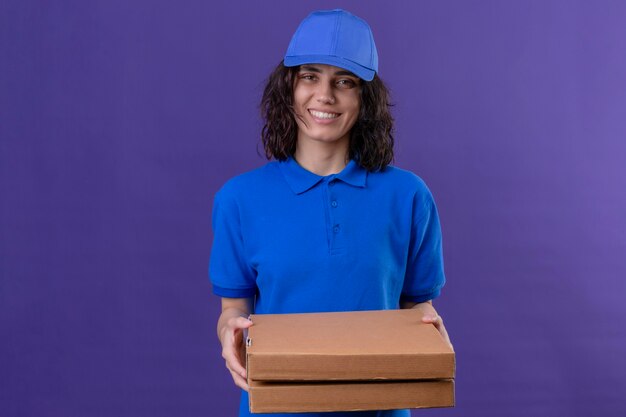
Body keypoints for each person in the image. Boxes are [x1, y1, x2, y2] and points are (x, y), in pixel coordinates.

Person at [209, 8, 451, 417]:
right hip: (274, 408)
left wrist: (430, 328)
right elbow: (234, 309)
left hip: (381, 409)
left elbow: (416, 305)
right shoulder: (239, 199)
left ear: (365, 98)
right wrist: (228, 331)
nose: (325, 95)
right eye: (310, 76)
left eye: (345, 81)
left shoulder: (408, 195)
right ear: (288, 87)